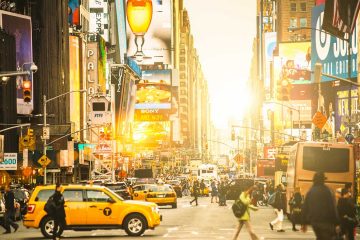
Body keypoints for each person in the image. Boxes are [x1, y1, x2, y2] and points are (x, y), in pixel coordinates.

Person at [301, 172, 340, 240]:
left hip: (314, 222)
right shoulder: (327, 191)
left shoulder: (310, 191)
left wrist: (304, 222)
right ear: (323, 180)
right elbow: (332, 207)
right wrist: (337, 223)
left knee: (320, 237)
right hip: (326, 222)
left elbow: (305, 207)